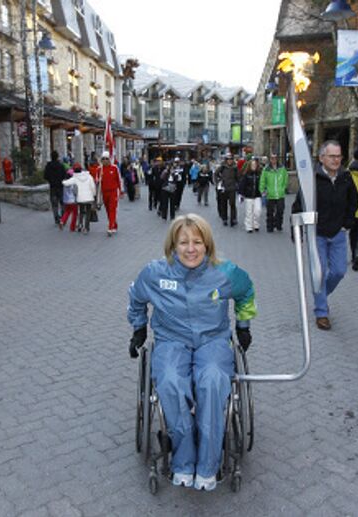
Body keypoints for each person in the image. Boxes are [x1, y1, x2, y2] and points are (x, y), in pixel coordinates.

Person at [127, 214, 256, 491]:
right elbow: (136, 297)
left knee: (211, 380)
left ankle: (208, 465)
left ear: (207, 244)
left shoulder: (225, 272)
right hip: (171, 341)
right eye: (183, 242)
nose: (190, 249)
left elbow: (246, 292)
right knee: (171, 381)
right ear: (172, 244)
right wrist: (138, 329)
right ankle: (183, 461)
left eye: (197, 241)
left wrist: (243, 326)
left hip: (213, 341)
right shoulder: (155, 273)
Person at [292, 140, 358, 331]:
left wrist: (348, 223)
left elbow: (354, 201)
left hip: (338, 233)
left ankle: (319, 296)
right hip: (316, 234)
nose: (336, 160)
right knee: (318, 275)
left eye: (339, 156)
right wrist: (295, 231)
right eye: (332, 156)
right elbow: (299, 204)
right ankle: (321, 312)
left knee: (338, 271)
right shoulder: (312, 178)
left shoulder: (346, 177)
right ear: (322, 158)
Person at [260, 153, 288, 232]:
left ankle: (278, 224)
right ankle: (270, 226)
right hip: (270, 194)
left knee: (280, 210)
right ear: (270, 159)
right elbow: (262, 180)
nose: (273, 160)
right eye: (272, 158)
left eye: (275, 158)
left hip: (280, 194)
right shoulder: (266, 169)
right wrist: (263, 190)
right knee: (270, 212)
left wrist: (283, 188)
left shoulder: (282, 168)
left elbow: (285, 178)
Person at [65, 163, 96, 234]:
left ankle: (80, 225)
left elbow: (69, 185)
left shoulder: (75, 178)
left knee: (81, 211)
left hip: (80, 197)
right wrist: (94, 194)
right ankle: (86, 228)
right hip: (89, 197)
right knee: (88, 212)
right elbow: (93, 186)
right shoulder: (89, 176)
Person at [99, 151, 123, 236]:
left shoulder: (114, 168)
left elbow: (119, 180)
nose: (105, 160)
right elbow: (96, 181)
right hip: (104, 193)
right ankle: (114, 224)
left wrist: (121, 191)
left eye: (106, 159)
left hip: (113, 192)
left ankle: (110, 227)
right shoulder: (100, 169)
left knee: (112, 209)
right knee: (108, 210)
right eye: (103, 159)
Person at [214, 153, 240, 226]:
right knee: (224, 204)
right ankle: (224, 218)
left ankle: (233, 219)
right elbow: (216, 174)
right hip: (224, 188)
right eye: (228, 159)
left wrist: (239, 186)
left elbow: (238, 177)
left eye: (231, 159)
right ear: (226, 160)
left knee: (232, 204)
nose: (229, 161)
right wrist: (218, 182)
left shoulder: (235, 168)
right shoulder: (222, 167)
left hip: (232, 188)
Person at [238, 157, 263, 233]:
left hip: (257, 195)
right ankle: (249, 226)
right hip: (248, 195)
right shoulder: (246, 174)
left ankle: (256, 224)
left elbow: (262, 183)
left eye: (255, 165)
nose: (254, 166)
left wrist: (263, 190)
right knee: (249, 212)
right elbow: (242, 185)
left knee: (257, 211)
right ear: (250, 166)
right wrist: (241, 194)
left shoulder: (259, 174)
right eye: (252, 165)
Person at [44, 150, 67, 227]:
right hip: (60, 187)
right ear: (57, 157)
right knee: (62, 203)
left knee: (54, 204)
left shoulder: (48, 166)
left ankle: (56, 218)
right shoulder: (61, 165)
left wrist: (50, 180)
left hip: (52, 187)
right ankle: (63, 217)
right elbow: (65, 175)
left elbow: (45, 176)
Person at [59, 164, 79, 232]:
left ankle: (62, 221)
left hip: (66, 200)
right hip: (73, 200)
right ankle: (72, 227)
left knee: (67, 211)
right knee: (75, 214)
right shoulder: (73, 182)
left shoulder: (65, 182)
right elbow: (75, 191)